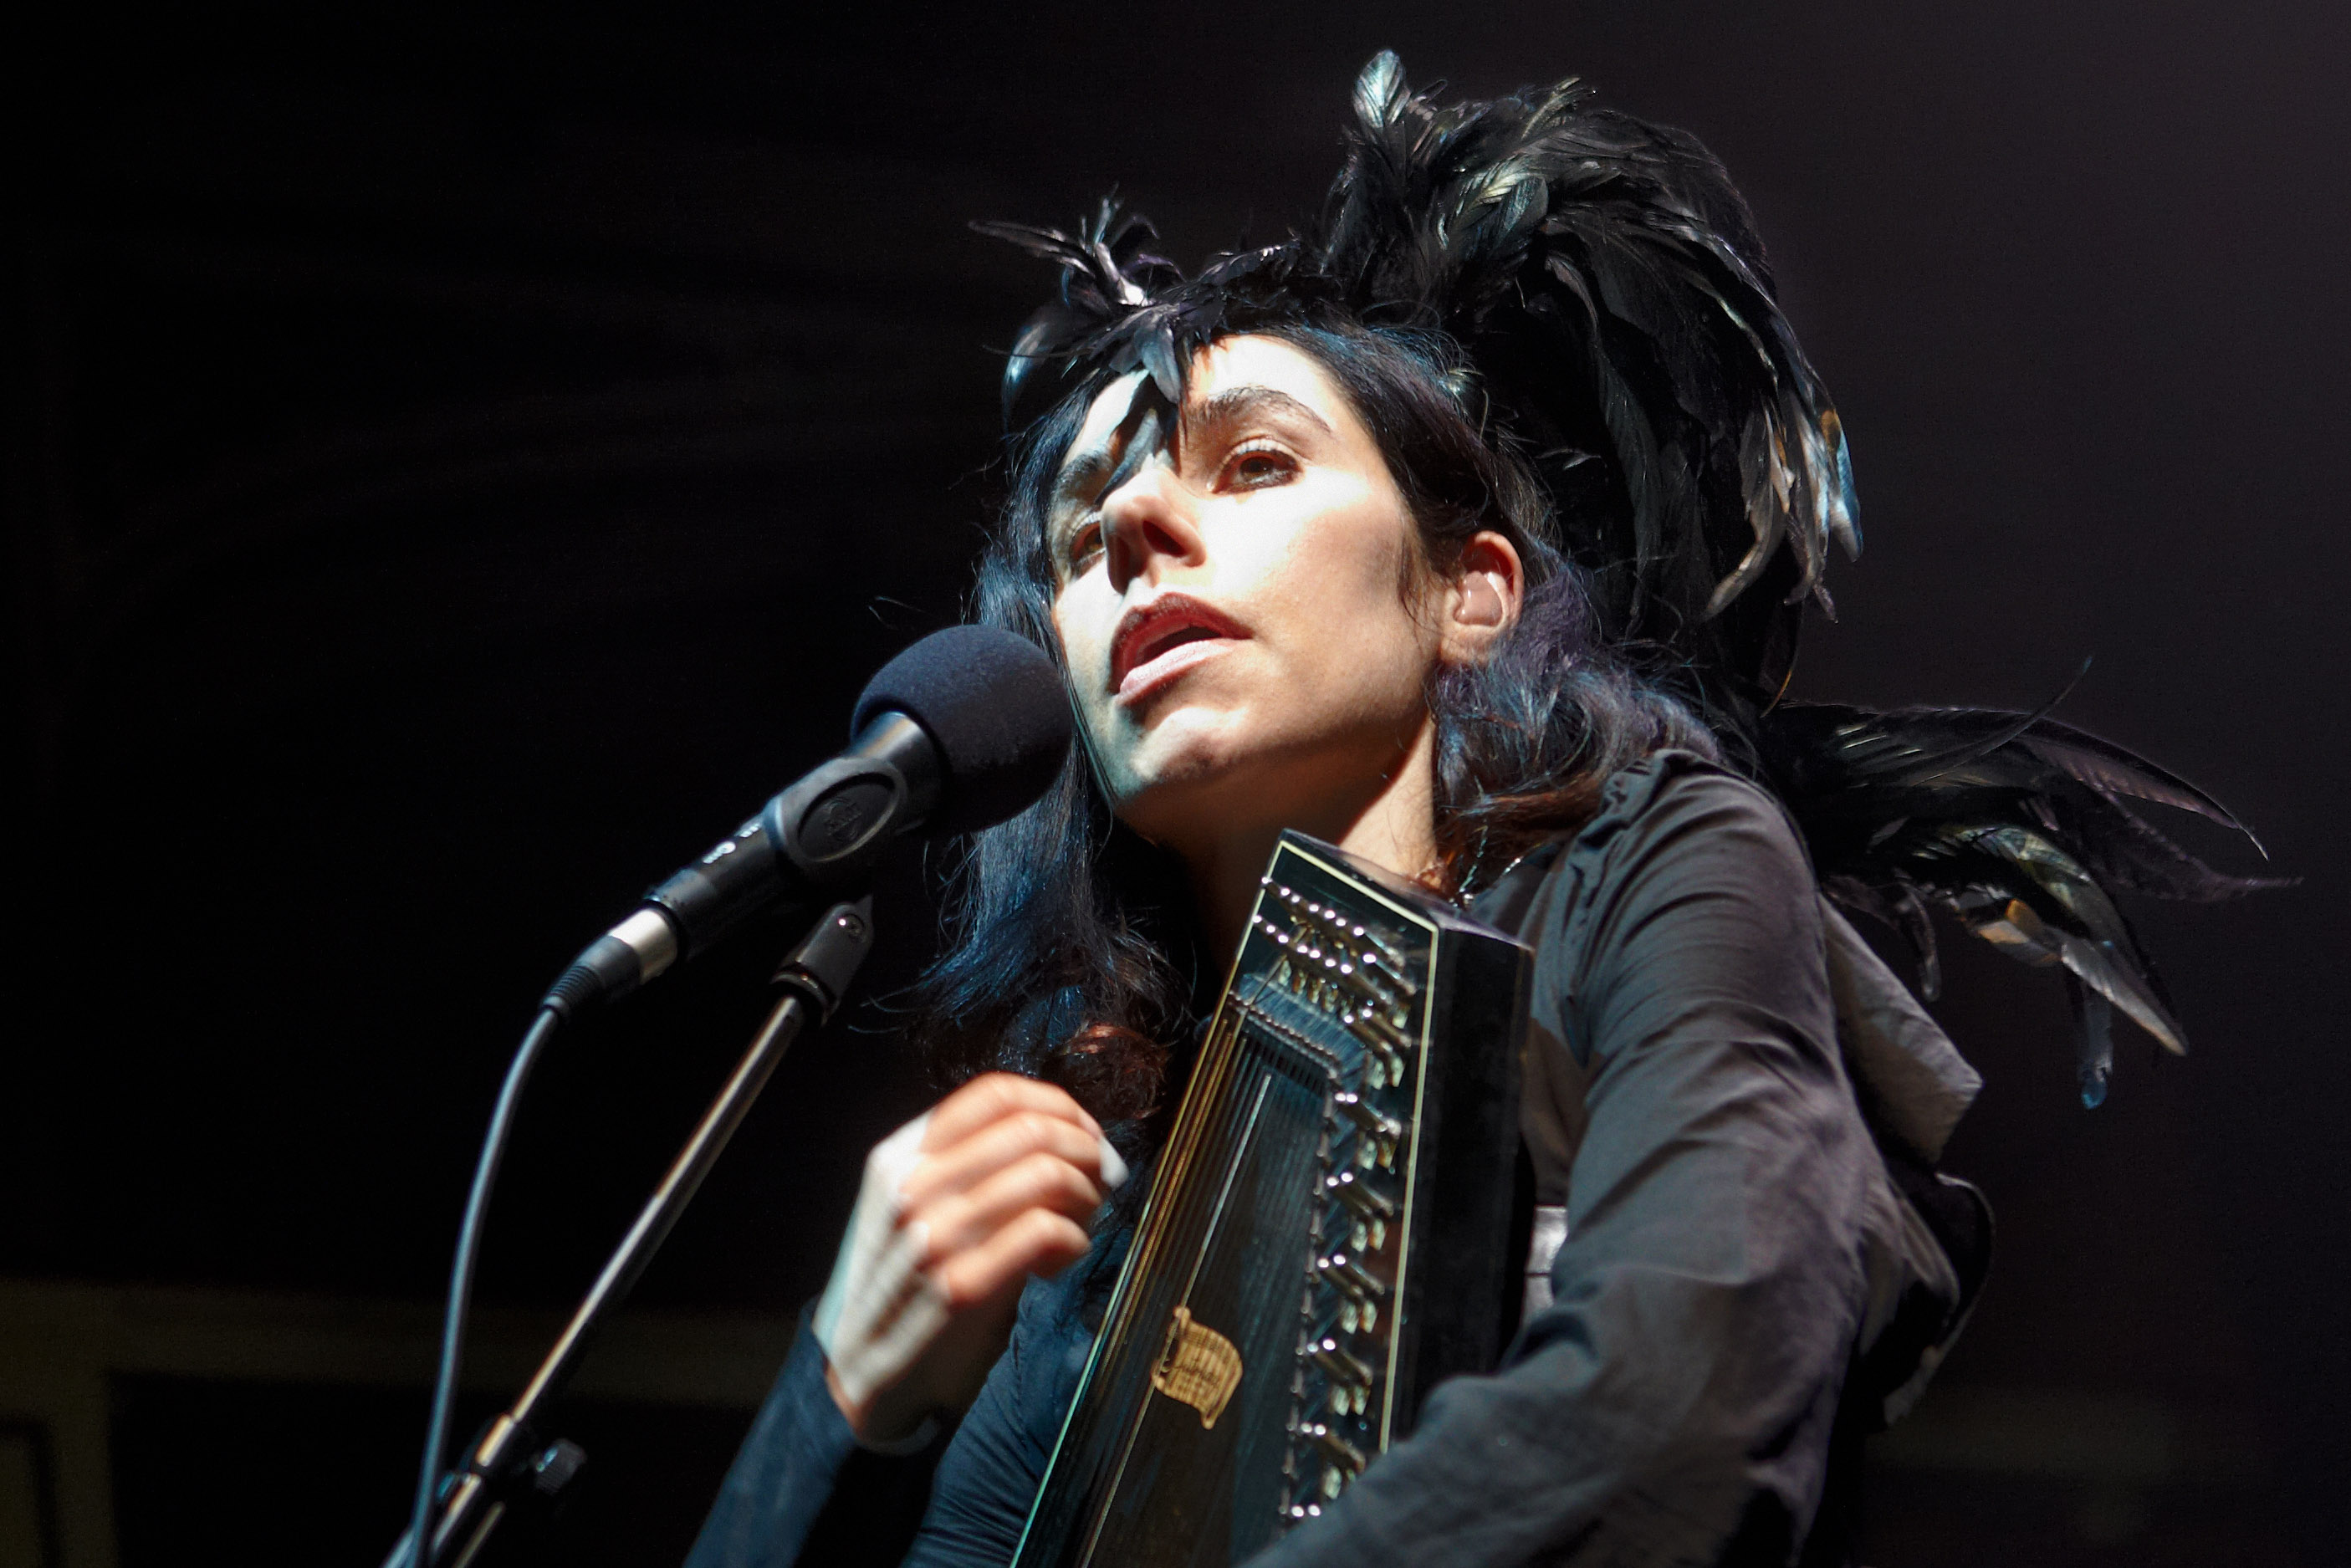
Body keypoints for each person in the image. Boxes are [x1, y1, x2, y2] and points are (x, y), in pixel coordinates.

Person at [687, 54, 2261, 1568]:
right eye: (1086, 529)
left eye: (1250, 465)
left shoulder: (1658, 865)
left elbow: (1681, 1392)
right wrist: (837, 1409)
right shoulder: (1105, 1170)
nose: (1137, 531)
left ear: (1470, 593)